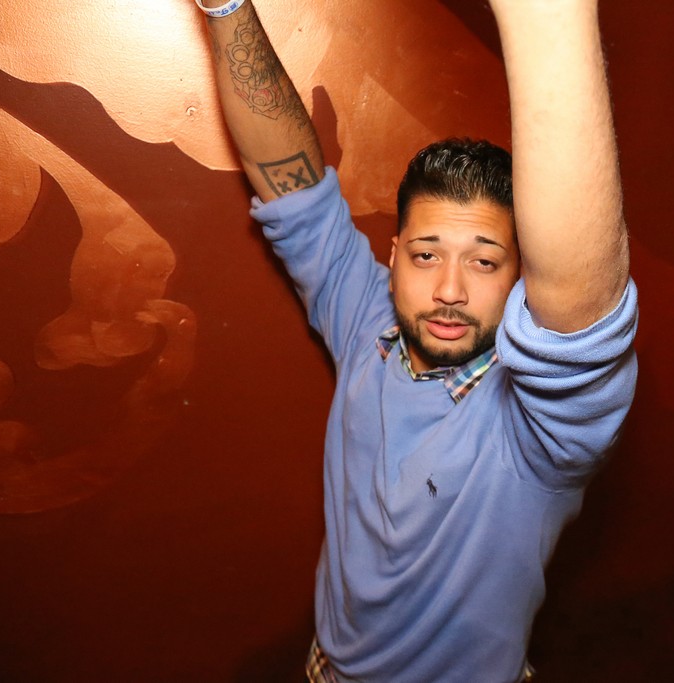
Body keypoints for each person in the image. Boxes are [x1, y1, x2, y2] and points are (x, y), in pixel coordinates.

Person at [195, 0, 637, 680]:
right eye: (427, 255)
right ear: (394, 255)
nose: (450, 288)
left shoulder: (537, 429)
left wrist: (547, 17)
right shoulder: (365, 315)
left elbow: (582, 314)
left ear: (522, 280)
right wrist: (223, 5)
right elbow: (291, 183)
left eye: (484, 262)